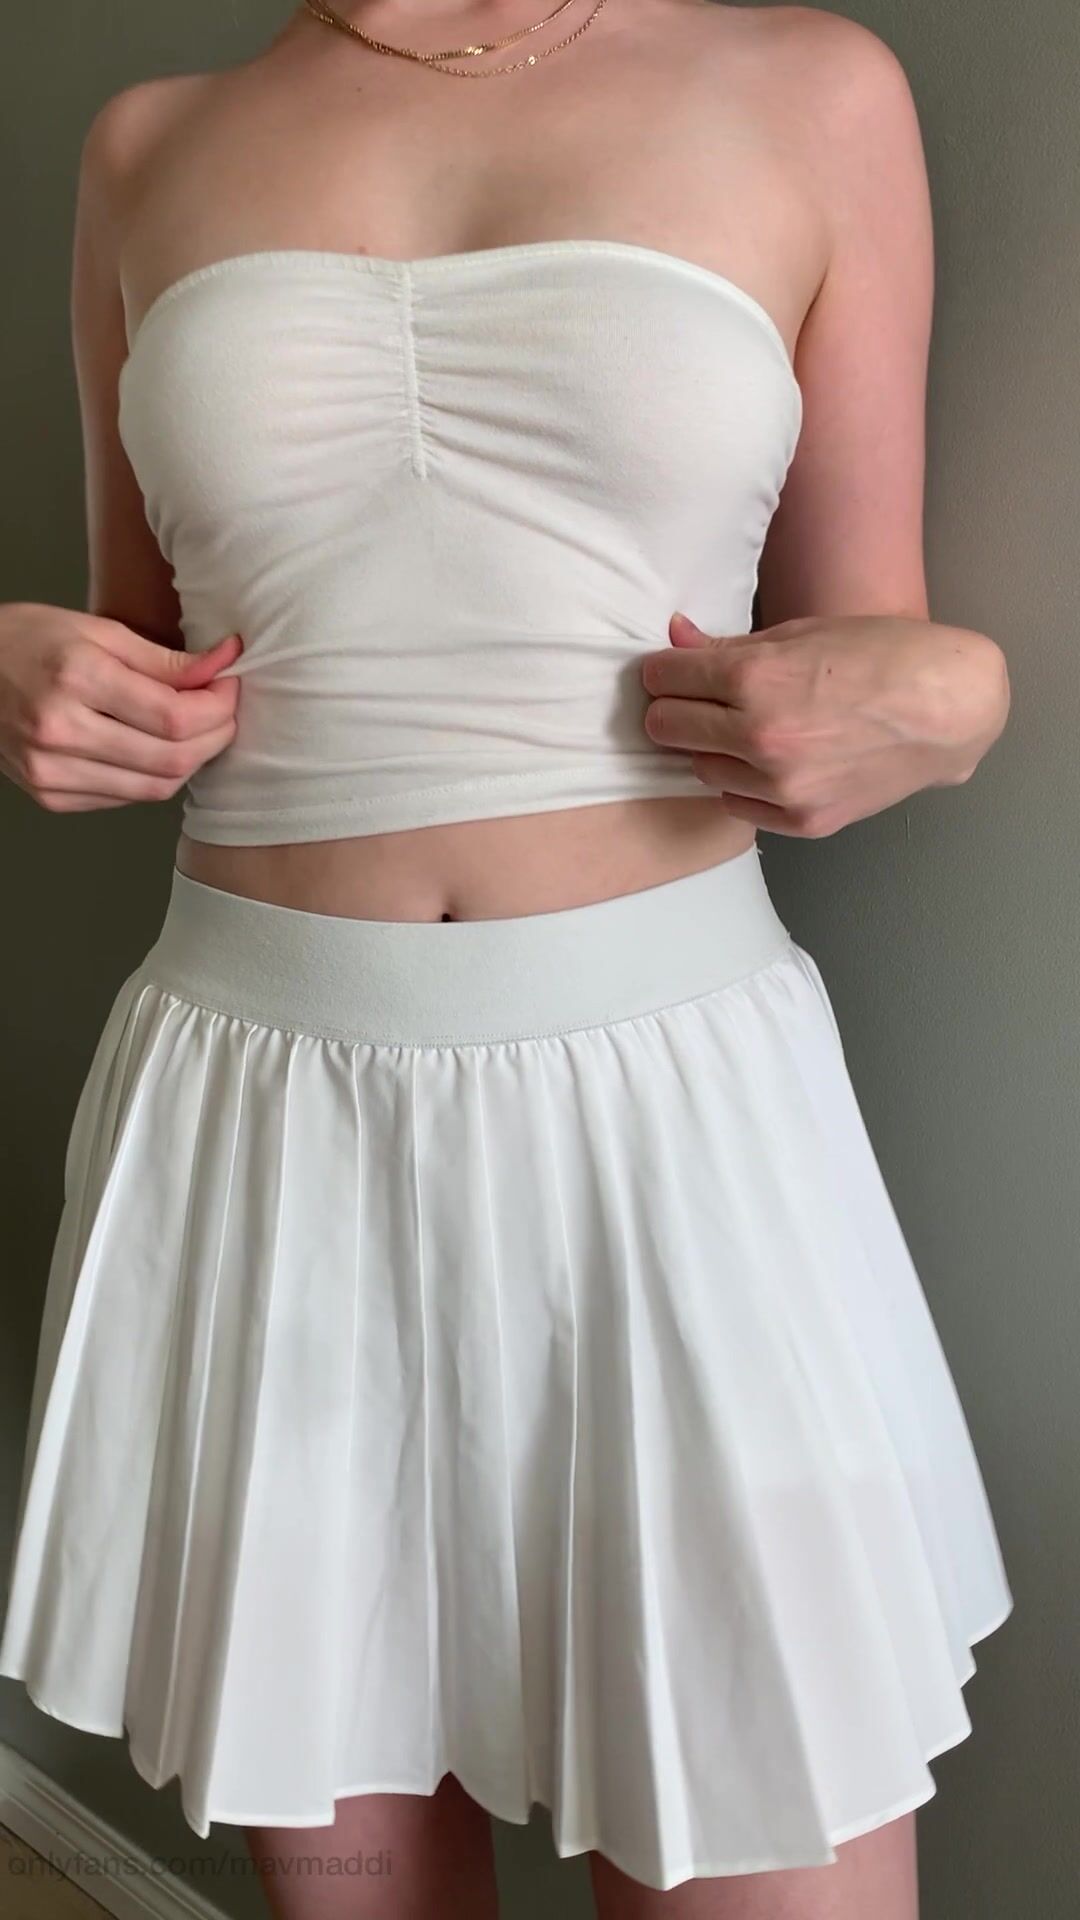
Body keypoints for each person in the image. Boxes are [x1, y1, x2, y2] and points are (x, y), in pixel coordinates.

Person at [0, 3, 1014, 1916]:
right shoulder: (146, 143)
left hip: (668, 1121)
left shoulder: (815, 91)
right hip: (262, 1126)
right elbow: (144, 648)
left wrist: (961, 692)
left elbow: (871, 640)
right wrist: (32, 672)